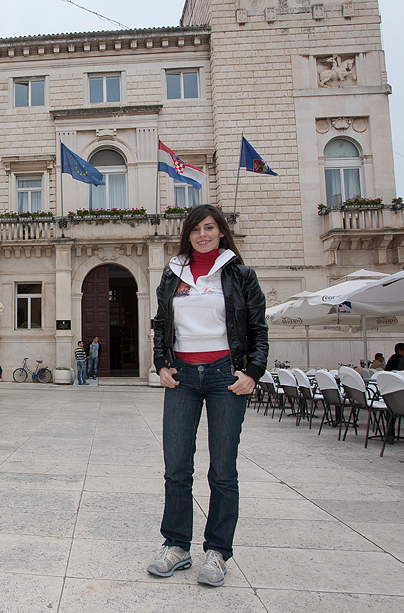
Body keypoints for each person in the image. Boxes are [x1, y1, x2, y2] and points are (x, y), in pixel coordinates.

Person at [148, 204, 268, 588]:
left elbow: (257, 329)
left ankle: (217, 551)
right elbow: (161, 324)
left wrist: (253, 372)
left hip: (224, 376)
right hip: (182, 376)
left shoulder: (240, 275)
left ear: (220, 232)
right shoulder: (172, 274)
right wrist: (161, 363)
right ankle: (177, 546)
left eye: (210, 227)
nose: (203, 234)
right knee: (177, 466)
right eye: (196, 228)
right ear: (188, 234)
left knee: (223, 470)